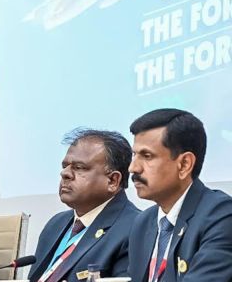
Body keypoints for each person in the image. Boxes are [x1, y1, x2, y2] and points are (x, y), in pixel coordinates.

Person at [127, 108, 232, 281]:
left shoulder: (221, 216)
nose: (133, 168)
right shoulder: (143, 222)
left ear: (184, 164)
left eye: (147, 156)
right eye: (134, 155)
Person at [28, 129, 139, 282]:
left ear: (113, 181)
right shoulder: (56, 224)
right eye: (65, 166)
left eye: (79, 167)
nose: (65, 174)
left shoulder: (135, 228)